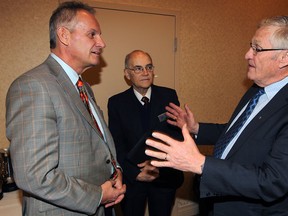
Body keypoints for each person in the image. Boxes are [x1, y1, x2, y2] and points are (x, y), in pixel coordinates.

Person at [145, 15, 288, 216]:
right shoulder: (256, 89)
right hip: (217, 200)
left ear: (284, 58)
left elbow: (272, 181)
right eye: (250, 46)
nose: (247, 54)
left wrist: (200, 164)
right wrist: (196, 128)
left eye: (257, 48)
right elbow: (237, 133)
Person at [5, 1, 126, 216]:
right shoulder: (34, 85)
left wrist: (115, 171)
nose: (102, 43)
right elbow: (34, 175)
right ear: (64, 35)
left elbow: (98, 142)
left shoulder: (83, 86)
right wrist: (97, 195)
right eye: (92, 34)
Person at [107, 50, 184, 216]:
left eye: (149, 67)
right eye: (138, 68)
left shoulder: (168, 96)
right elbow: (116, 144)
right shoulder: (116, 103)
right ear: (127, 74)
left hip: (163, 177)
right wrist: (136, 173)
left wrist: (155, 165)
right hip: (133, 179)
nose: (145, 73)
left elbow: (177, 137)